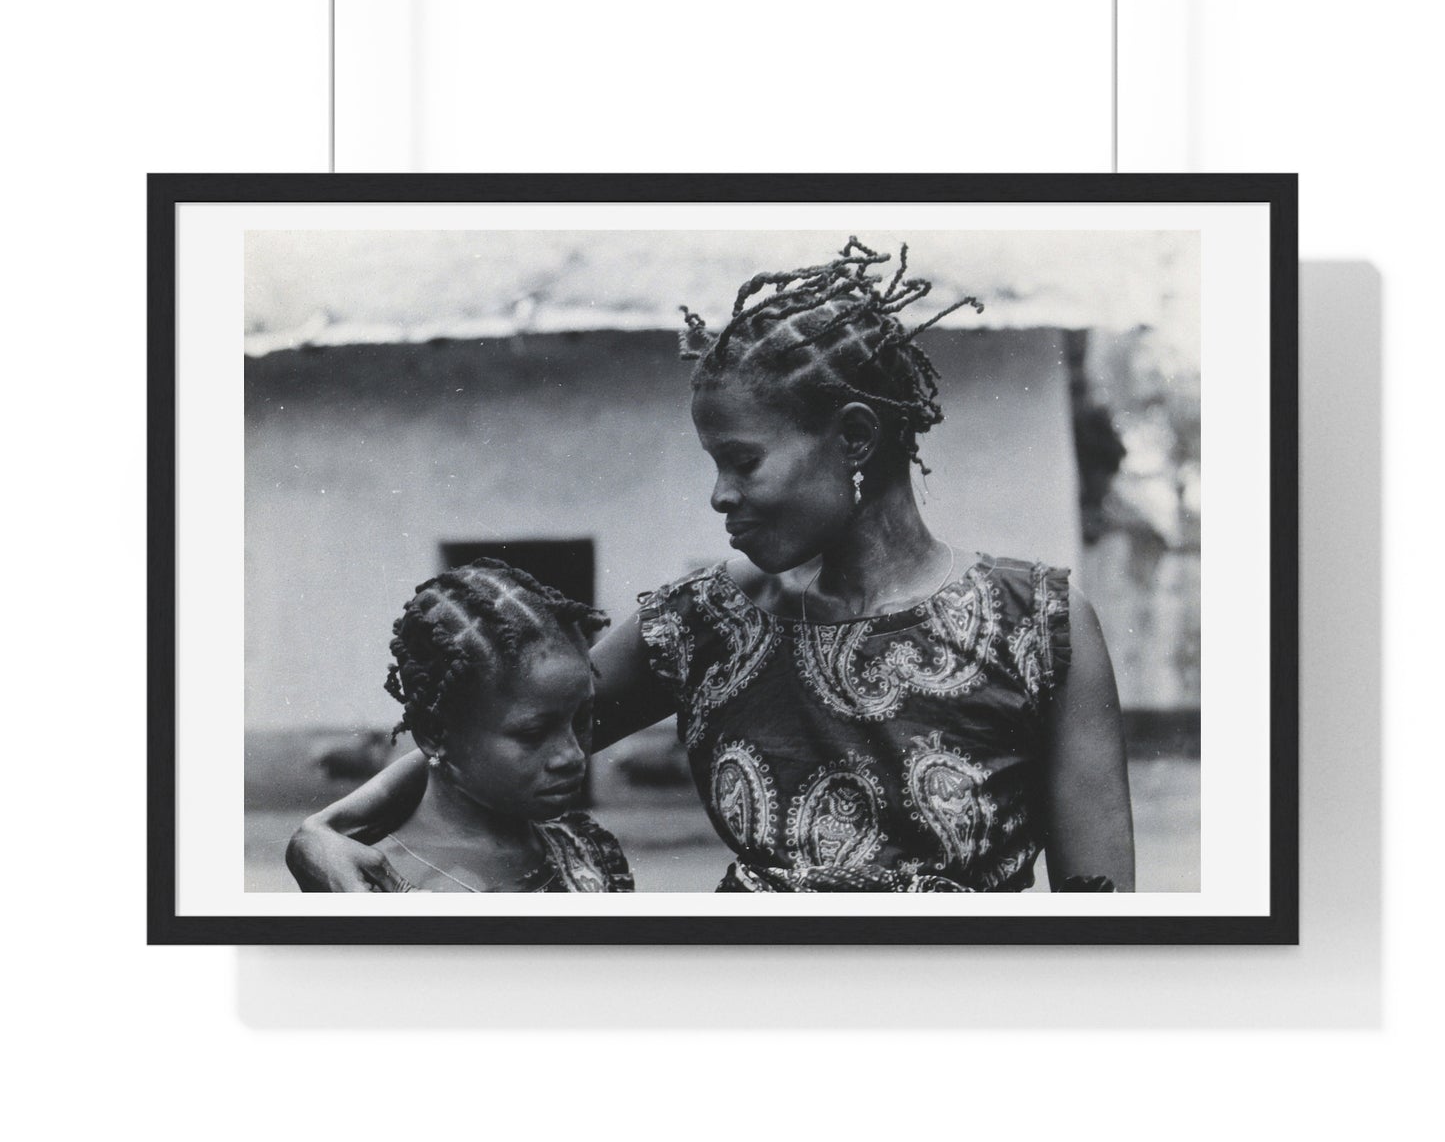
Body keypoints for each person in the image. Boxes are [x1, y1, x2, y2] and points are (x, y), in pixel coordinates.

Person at [288, 238, 1134, 893]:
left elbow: (1098, 912)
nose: (719, 496)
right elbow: (487, 726)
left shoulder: (1038, 628)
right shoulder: (703, 624)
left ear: (853, 438)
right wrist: (323, 831)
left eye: (742, 460)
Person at [287, 558, 632, 893]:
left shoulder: (587, 850)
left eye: (583, 719)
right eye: (533, 734)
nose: (572, 755)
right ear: (434, 734)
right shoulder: (365, 880)